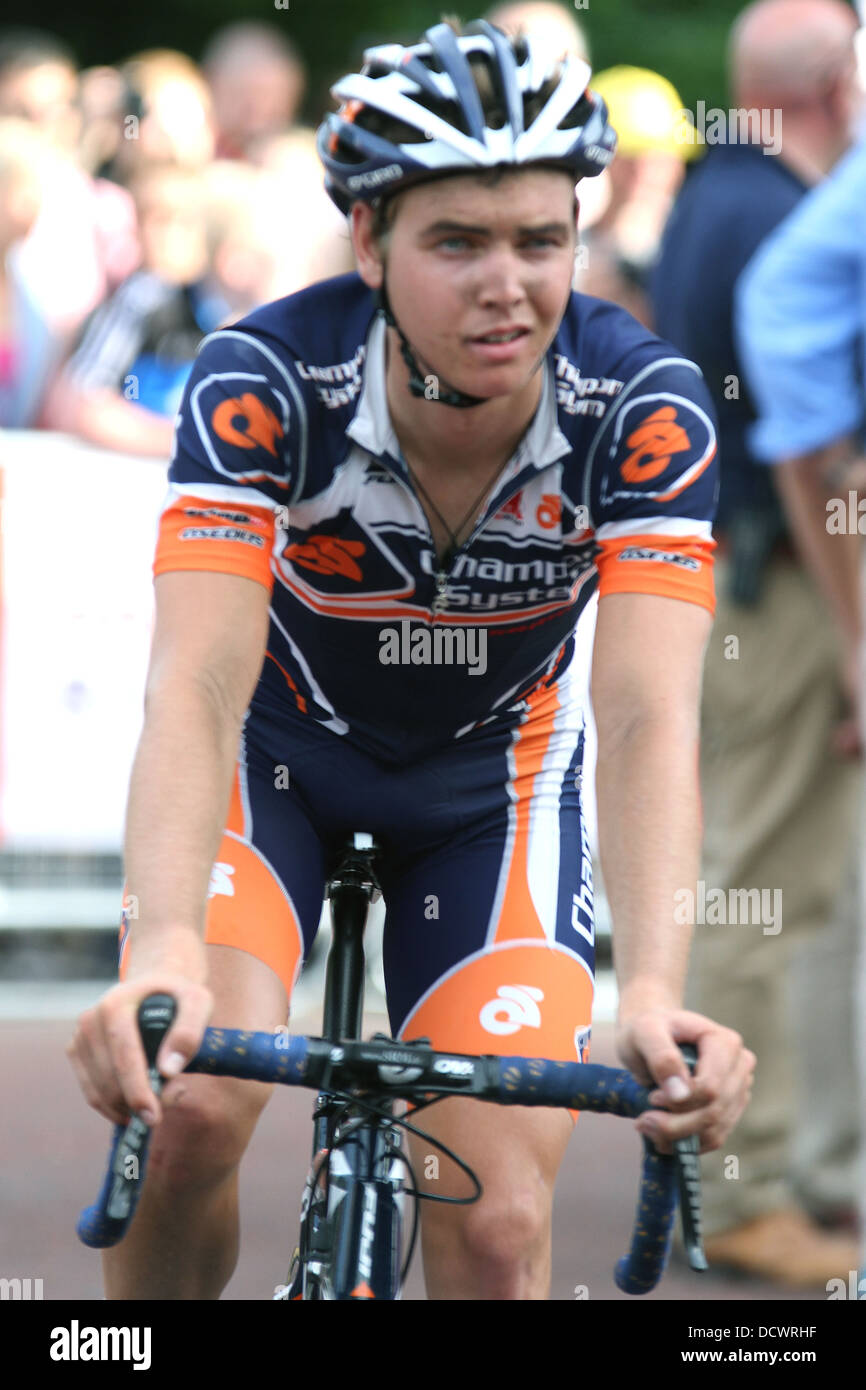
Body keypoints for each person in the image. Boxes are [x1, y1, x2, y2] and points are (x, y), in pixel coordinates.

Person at [67, 17, 754, 1301]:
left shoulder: (644, 407)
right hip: (274, 760)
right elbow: (200, 682)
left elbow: (651, 712)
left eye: (540, 240)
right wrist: (162, 941)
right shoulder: (263, 376)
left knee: (495, 1226)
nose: (508, 284)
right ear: (369, 240)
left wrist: (653, 988)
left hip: (488, 791)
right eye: (457, 241)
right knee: (193, 1114)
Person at [651, 0, 863, 1286]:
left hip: (758, 579)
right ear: (831, 86)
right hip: (777, 582)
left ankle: (785, 1170)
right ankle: (737, 1193)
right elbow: (803, 435)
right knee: (763, 884)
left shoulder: (714, 197)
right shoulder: (772, 216)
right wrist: (851, 625)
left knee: (784, 881)